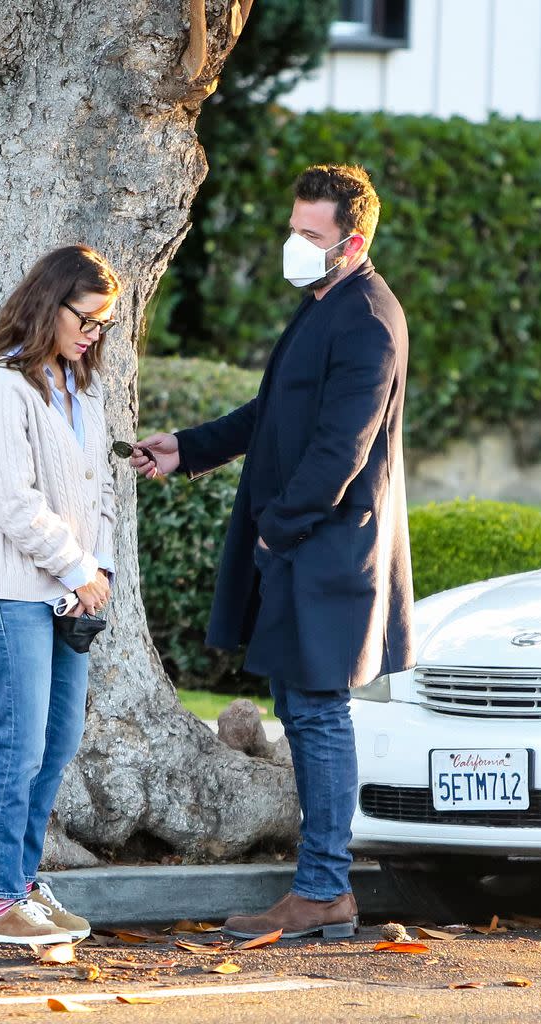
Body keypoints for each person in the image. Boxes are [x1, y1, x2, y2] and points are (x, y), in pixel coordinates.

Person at [133, 165, 414, 939]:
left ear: (352, 243)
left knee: (318, 715)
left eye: (310, 236)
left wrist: (275, 526)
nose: (294, 245)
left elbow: (340, 449)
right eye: (293, 228)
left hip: (327, 551)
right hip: (304, 545)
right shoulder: (325, 304)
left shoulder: (368, 319)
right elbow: (274, 411)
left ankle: (325, 889)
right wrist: (186, 449)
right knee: (302, 708)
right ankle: (320, 888)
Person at [0, 245, 120, 945]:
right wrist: (77, 568)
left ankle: (24, 885)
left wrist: (98, 570)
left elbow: (100, 493)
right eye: (86, 318)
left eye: (104, 324)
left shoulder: (82, 390)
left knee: (57, 743)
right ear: (47, 304)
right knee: (19, 742)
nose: (93, 334)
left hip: (69, 593)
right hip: (10, 592)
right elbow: (12, 502)